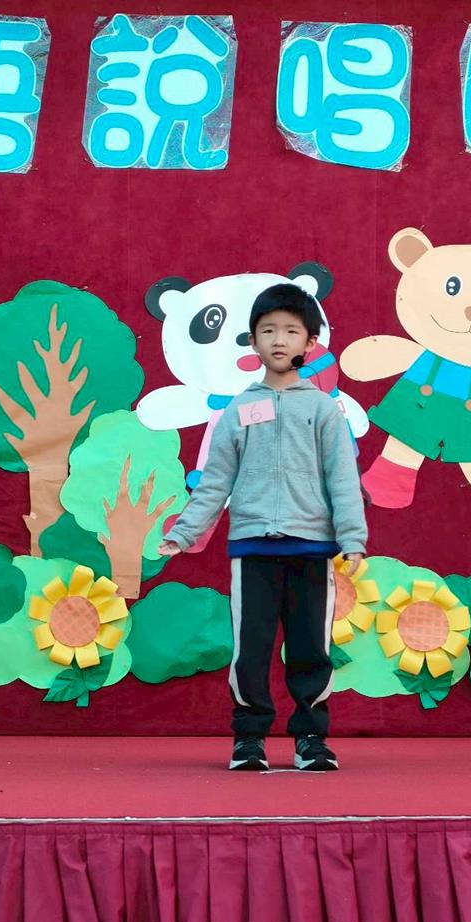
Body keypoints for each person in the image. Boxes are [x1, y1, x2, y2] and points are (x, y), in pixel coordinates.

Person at [159, 283, 367, 772]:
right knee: (250, 650)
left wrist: (353, 539)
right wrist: (185, 532)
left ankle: (310, 739)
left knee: (311, 649)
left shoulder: (322, 409)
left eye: (291, 331)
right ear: (253, 341)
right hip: (252, 549)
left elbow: (342, 478)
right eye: (268, 330)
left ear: (310, 343)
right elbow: (215, 480)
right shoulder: (237, 409)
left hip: (312, 549)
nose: (278, 340)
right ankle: (249, 738)